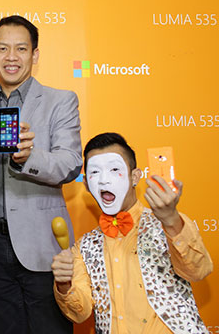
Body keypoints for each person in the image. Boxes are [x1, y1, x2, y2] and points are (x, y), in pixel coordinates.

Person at [0, 15, 80, 333]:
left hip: (44, 248)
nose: (11, 57)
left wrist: (29, 157)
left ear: (35, 55)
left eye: (21, 49)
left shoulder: (60, 101)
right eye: (3, 48)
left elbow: (70, 164)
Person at [51, 132, 213, 333]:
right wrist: (64, 283)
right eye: (95, 172)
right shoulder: (84, 246)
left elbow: (198, 270)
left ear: (135, 177)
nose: (104, 180)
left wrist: (171, 219)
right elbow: (79, 313)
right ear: (86, 185)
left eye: (114, 169)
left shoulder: (170, 225)